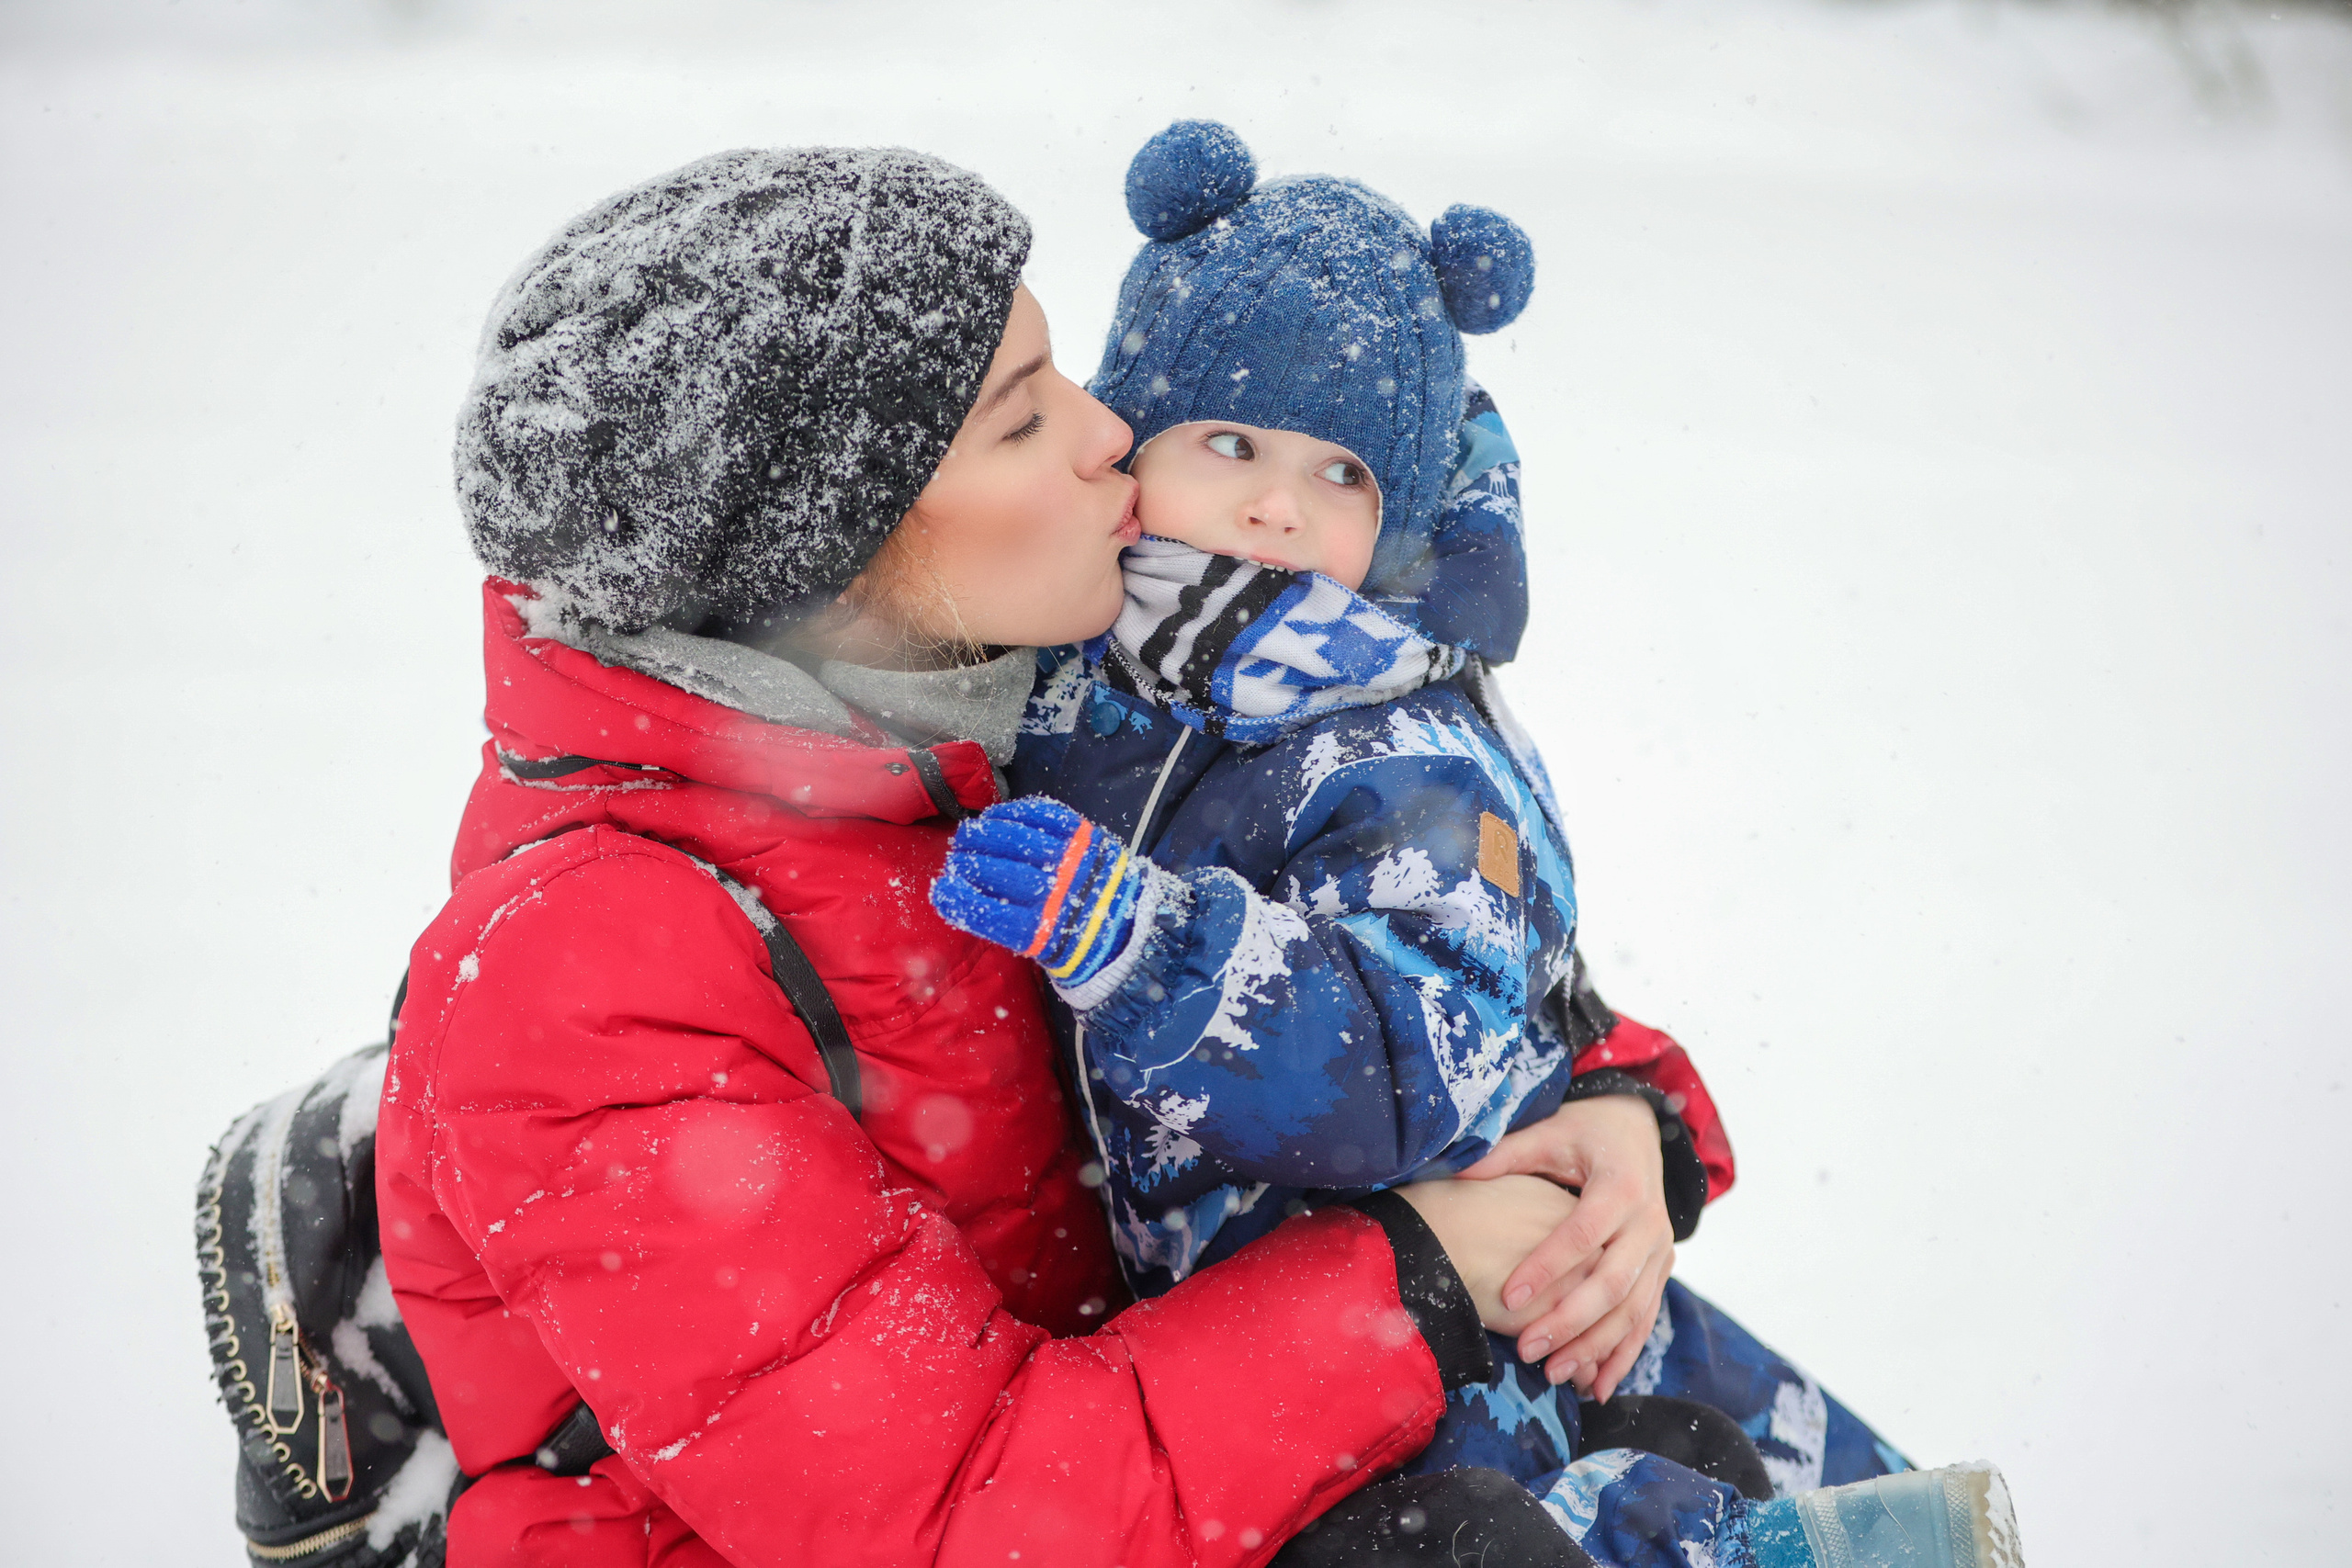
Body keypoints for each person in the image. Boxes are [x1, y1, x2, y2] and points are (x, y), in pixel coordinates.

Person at [379, 144, 1691, 1568]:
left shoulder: (991, 721)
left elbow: (1399, 940)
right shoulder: (581, 979)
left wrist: (1622, 1118)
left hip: (1164, 1464)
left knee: (1671, 1443)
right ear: (831, 555)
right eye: (1023, 421)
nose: (1112, 435)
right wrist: (1420, 1279)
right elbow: (953, 1523)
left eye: (1068, 372)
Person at [931, 121, 2021, 1568]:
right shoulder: (1084, 662)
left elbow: (1403, 1060)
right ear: (1136, 433)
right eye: (1233, 444)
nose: (1274, 505)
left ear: (1398, 520)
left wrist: (1149, 945)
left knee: (1467, 1523)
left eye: (1341, 480)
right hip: (1237, 1316)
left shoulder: (1401, 749)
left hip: (1402, 1292)